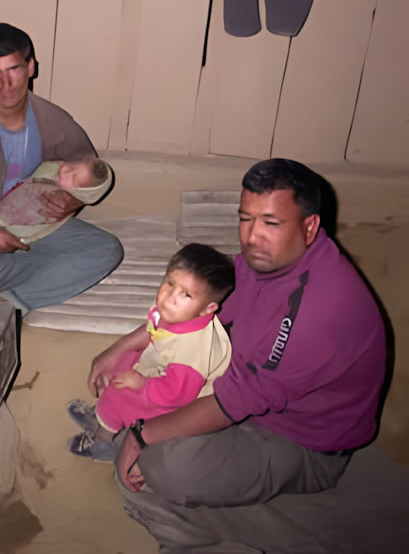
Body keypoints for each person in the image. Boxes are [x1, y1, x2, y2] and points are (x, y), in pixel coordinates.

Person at [99, 159, 386, 551]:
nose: (252, 237)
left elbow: (233, 402)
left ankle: (211, 534)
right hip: (248, 392)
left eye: (271, 223)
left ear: (310, 227)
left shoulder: (319, 307)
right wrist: (121, 346)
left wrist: (141, 435)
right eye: (245, 219)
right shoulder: (266, 261)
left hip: (304, 440)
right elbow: (201, 308)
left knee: (159, 465)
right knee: (138, 375)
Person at [0, 22, 123, 312]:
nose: (5, 84)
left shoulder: (55, 122)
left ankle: (9, 303)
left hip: (38, 231)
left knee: (106, 250)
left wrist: (68, 204)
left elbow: (88, 174)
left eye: (14, 69)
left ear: (31, 67)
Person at [67, 243, 233, 462]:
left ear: (208, 309)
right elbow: (154, 331)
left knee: (123, 396)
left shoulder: (191, 351)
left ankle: (103, 440)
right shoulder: (181, 313)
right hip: (163, 364)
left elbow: (178, 393)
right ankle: (102, 416)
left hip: (177, 394)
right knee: (123, 364)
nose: (170, 297)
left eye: (186, 295)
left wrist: (143, 385)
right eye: (170, 283)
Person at [0, 157, 114, 245]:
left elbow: (2, 215)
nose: (66, 171)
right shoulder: (57, 172)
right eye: (73, 166)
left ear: (78, 193)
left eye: (72, 178)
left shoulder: (51, 204)